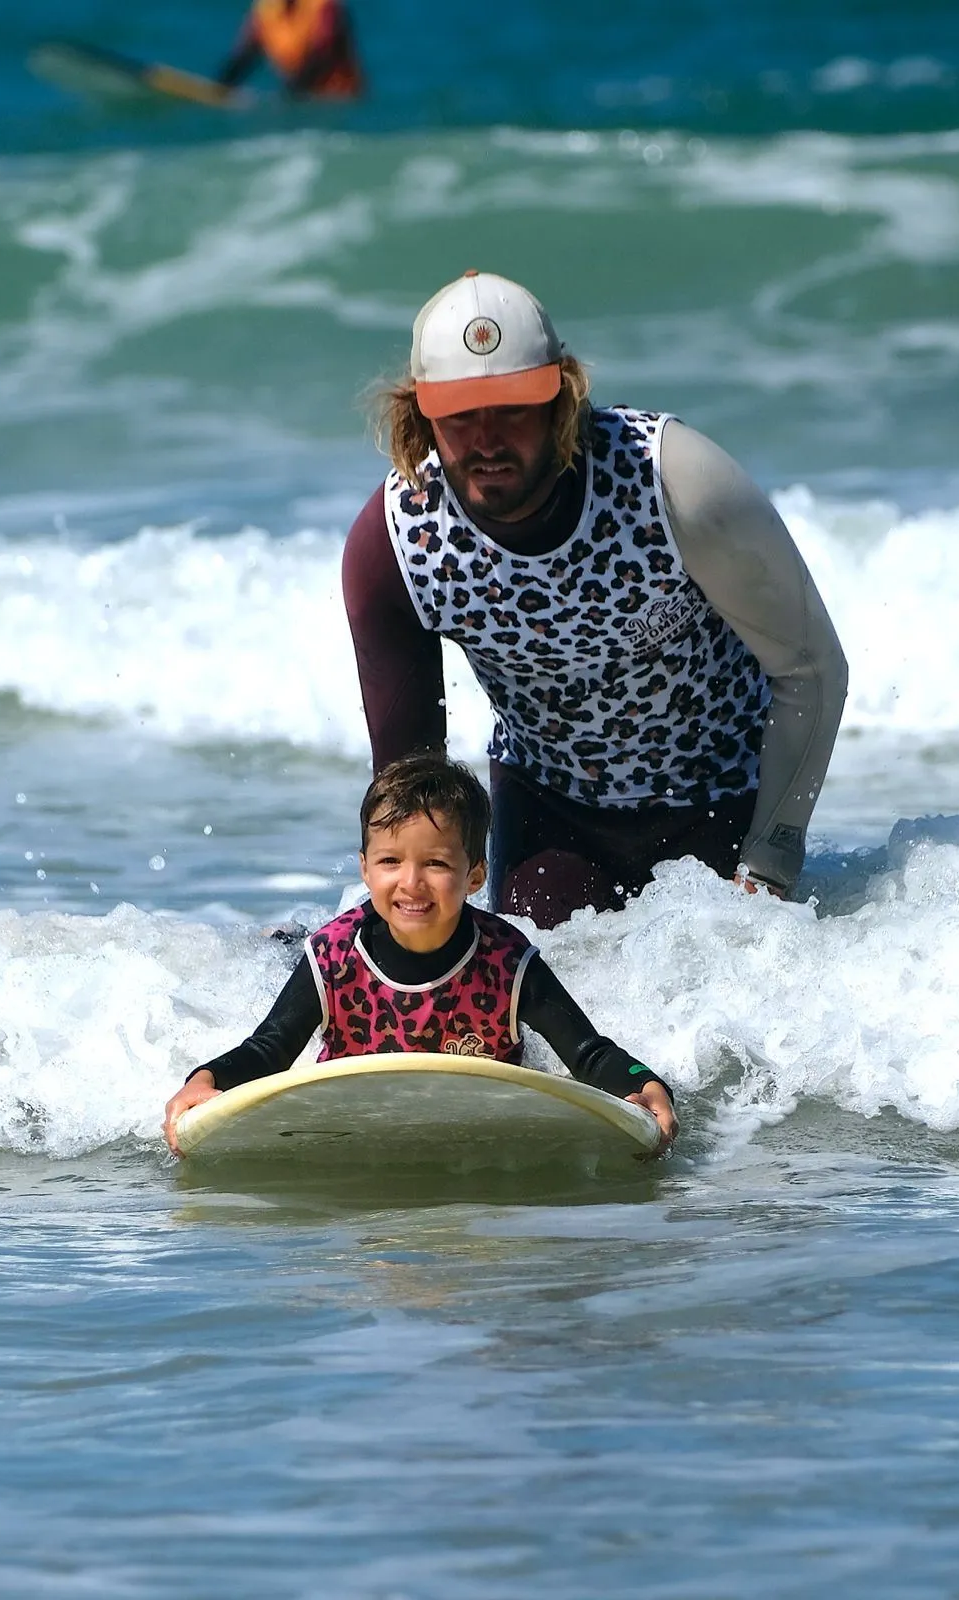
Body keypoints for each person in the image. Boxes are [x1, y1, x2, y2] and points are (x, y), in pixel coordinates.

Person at [342, 270, 849, 929]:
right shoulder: (398, 543)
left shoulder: (670, 479)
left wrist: (769, 860)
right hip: (551, 813)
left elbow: (809, 668)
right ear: (420, 416)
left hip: (721, 793)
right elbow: (412, 786)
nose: (488, 440)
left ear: (562, 401)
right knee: (541, 989)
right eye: (462, 415)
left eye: (514, 409)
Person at [163, 754, 677, 1155]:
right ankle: (278, 938)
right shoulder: (332, 957)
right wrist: (204, 1081)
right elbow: (268, 1050)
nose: (410, 883)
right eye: (390, 861)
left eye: (435, 862)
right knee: (291, 952)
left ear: (475, 875)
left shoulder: (509, 963)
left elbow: (588, 1053)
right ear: (365, 869)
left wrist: (646, 1085)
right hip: (355, 1127)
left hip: (471, 1126)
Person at [217, 0, 364, 99]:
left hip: (338, 98)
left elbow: (323, 53)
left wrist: (291, 93)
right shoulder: (266, 11)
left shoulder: (325, 6)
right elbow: (246, 55)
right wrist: (222, 86)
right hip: (300, 96)